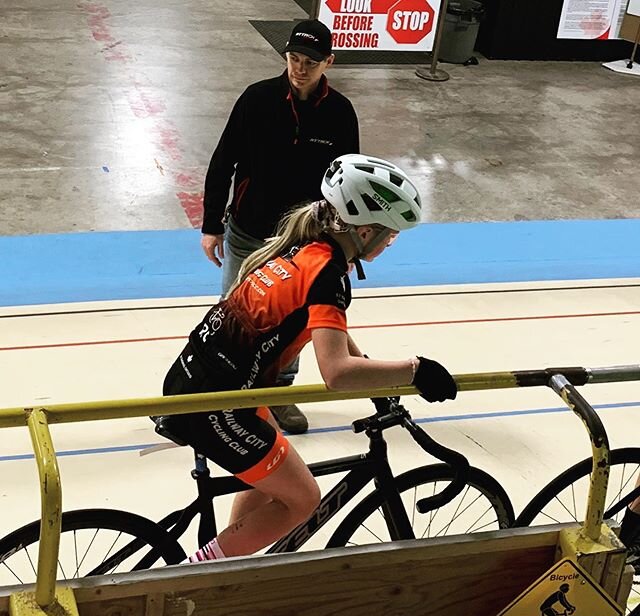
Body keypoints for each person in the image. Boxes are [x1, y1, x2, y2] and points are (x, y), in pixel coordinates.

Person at [158, 154, 458, 563]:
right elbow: (336, 372)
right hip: (218, 403)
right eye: (391, 233)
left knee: (270, 477)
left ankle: (229, 564)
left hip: (206, 383)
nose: (392, 242)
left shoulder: (309, 247)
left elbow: (331, 333)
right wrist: (415, 371)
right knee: (302, 499)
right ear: (366, 230)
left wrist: (382, 380)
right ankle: (199, 570)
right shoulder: (327, 275)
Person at [200, 19, 360, 434]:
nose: (299, 69)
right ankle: (224, 388)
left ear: (329, 62)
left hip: (304, 240)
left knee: (293, 317)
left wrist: (343, 241)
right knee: (236, 313)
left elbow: (348, 182)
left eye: (310, 62)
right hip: (248, 230)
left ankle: (280, 393)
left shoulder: (340, 113)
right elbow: (223, 162)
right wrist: (211, 224)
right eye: (293, 58)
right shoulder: (256, 99)